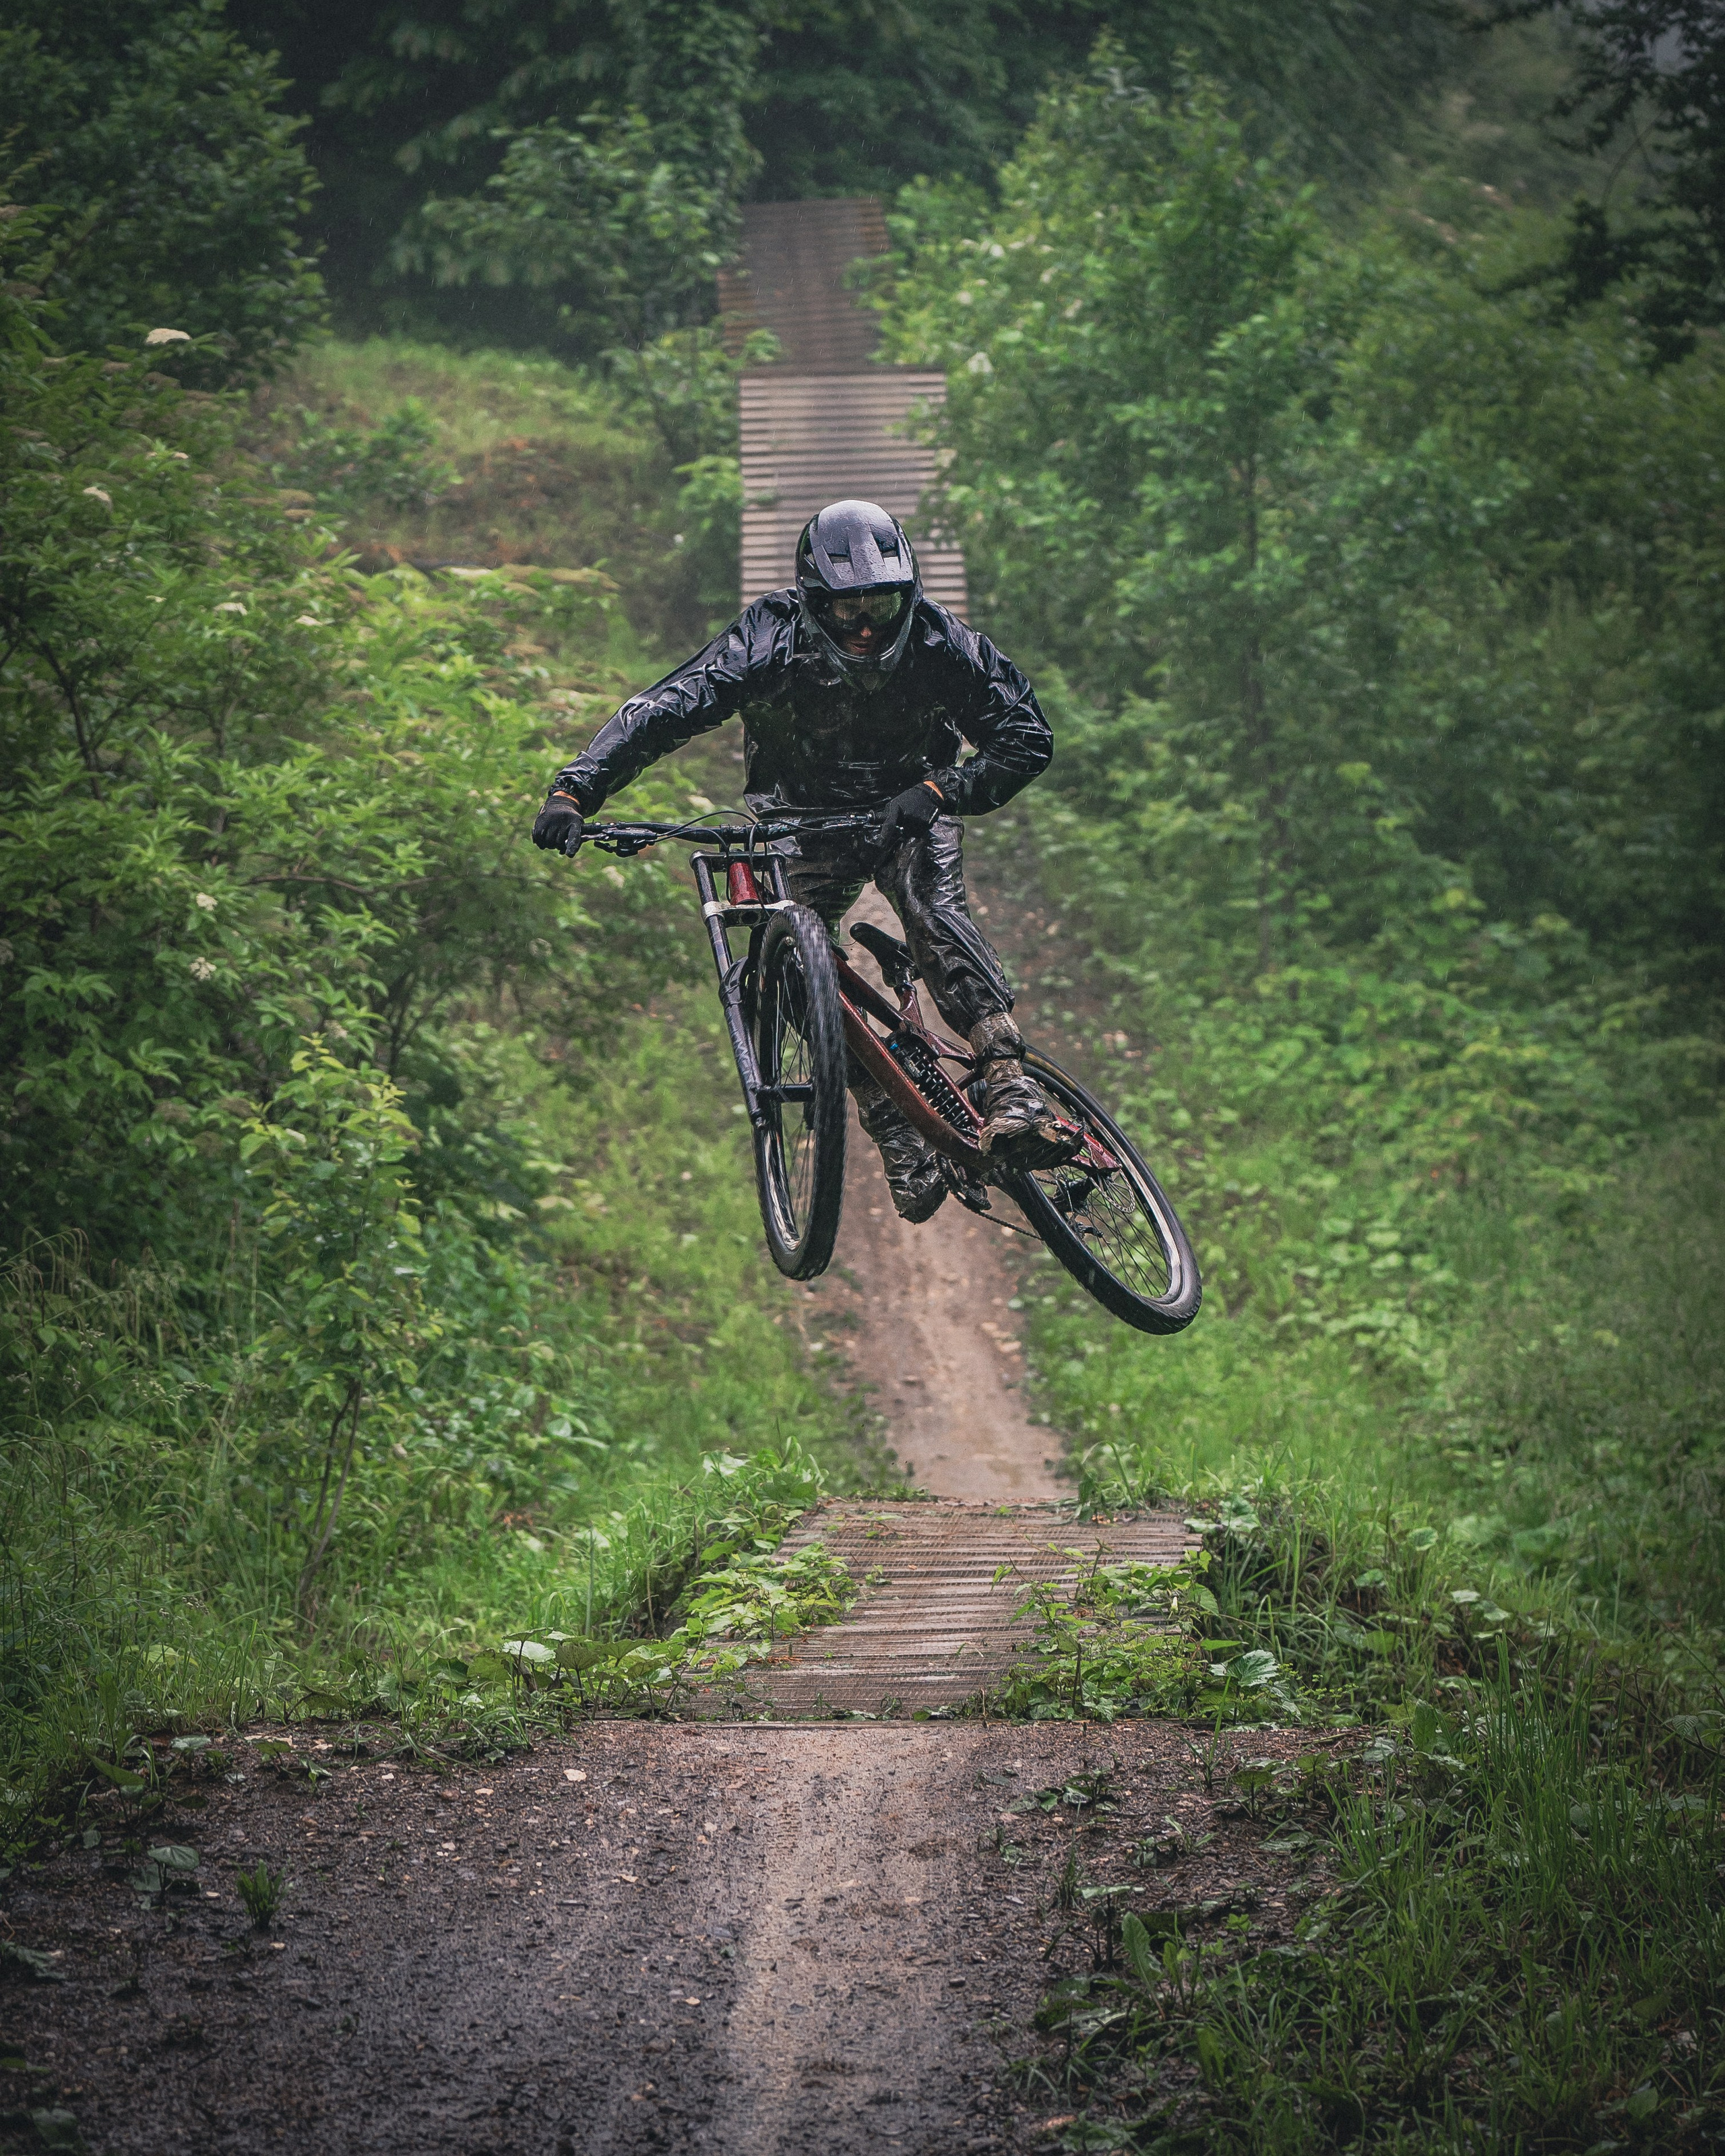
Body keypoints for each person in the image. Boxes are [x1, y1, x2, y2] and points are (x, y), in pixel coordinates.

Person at [532, 497, 1066, 1224]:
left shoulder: (943, 644)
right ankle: (890, 1122)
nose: (867, 625)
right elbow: (670, 706)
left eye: (881, 603)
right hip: (799, 820)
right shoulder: (770, 636)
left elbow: (1026, 737)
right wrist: (576, 788)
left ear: (908, 592)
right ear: (814, 603)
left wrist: (943, 788)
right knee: (788, 975)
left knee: (933, 911)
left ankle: (1007, 1079)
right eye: (847, 611)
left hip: (905, 810)